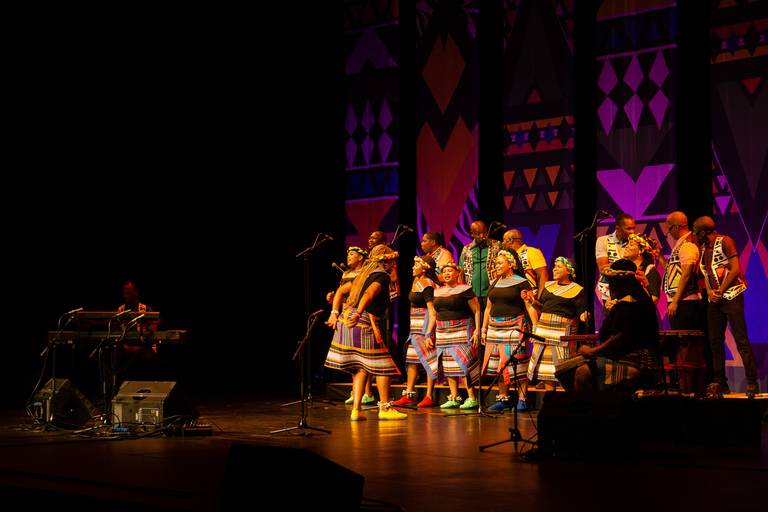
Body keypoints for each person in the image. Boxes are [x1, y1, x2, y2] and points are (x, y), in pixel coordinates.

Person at [325, 245, 407, 421]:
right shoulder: (381, 275)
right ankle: (385, 408)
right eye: (393, 261)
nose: (394, 265)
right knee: (384, 367)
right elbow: (369, 294)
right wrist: (359, 312)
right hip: (360, 321)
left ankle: (356, 410)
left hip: (346, 321)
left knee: (360, 368)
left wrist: (334, 313)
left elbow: (341, 291)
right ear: (387, 261)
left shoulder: (363, 274)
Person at [693, 216, 759, 398]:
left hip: (731, 295)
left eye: (696, 232)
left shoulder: (725, 241)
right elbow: (707, 274)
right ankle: (721, 382)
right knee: (715, 341)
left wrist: (720, 290)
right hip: (715, 299)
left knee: (741, 339)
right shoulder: (703, 248)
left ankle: (752, 382)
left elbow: (735, 268)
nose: (694, 235)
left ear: (704, 232)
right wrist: (710, 292)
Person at [574, 259, 660, 391]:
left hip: (638, 364)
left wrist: (592, 351)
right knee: (573, 365)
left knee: (582, 372)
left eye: (612, 282)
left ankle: (592, 404)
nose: (610, 286)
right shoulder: (631, 300)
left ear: (620, 283)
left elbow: (618, 337)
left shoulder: (632, 303)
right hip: (624, 360)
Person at [481, 250, 539, 412]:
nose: (496, 266)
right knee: (499, 365)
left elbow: (529, 305)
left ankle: (522, 399)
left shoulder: (522, 282)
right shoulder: (494, 282)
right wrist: (484, 329)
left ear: (511, 264)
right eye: (495, 263)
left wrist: (535, 327)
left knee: (518, 363)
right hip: (495, 328)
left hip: (515, 326)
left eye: (500, 263)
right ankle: (503, 398)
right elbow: (488, 308)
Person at [526, 257, 588, 390]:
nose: (554, 269)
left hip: (561, 335)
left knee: (563, 369)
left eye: (559, 266)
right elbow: (541, 308)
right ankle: (550, 398)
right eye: (554, 266)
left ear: (569, 271)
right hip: (544, 332)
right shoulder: (548, 286)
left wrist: (585, 316)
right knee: (546, 370)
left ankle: (568, 399)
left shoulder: (577, 290)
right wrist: (532, 302)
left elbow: (581, 313)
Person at [326, 246, 376, 405]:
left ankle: (367, 392)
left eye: (352, 254)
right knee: (352, 358)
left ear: (360, 257)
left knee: (364, 358)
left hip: (361, 315)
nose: (348, 256)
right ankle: (357, 391)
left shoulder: (366, 274)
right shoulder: (346, 273)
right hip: (346, 315)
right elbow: (343, 295)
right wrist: (334, 303)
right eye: (348, 254)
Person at [392, 255, 439, 407]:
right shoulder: (416, 282)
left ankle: (429, 396)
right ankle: (409, 394)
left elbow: (432, 311)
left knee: (429, 361)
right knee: (412, 361)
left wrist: (429, 333)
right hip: (415, 326)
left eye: (416, 265)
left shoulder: (428, 285)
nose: (413, 267)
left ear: (424, 268)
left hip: (425, 326)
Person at [433, 263, 482, 409]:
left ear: (457, 273)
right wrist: (430, 332)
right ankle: (454, 397)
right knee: (448, 363)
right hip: (442, 331)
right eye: (444, 271)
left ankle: (472, 397)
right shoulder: (437, 291)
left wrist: (477, 330)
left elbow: (477, 310)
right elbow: (434, 313)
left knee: (464, 363)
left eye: (450, 271)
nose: (447, 273)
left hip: (461, 329)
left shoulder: (465, 289)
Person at [663, 212, 703, 329]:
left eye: (669, 229)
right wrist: (659, 256)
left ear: (676, 227)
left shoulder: (687, 245)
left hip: (685, 301)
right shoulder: (680, 244)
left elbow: (686, 274)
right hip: (679, 300)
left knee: (684, 337)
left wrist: (675, 301)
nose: (669, 233)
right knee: (679, 336)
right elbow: (674, 271)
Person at [595, 213, 636, 305]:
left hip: (630, 291)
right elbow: (603, 268)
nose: (632, 232)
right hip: (610, 292)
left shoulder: (634, 243)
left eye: (634, 228)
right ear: (618, 228)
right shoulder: (603, 241)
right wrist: (624, 262)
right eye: (628, 228)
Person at [459, 221, 500, 310]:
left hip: (492, 291)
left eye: (484, 233)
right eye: (478, 234)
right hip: (473, 293)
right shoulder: (467, 249)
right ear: (472, 234)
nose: (482, 236)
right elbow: (461, 272)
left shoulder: (496, 245)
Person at [501, 229, 549, 298]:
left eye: (504, 240)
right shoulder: (506, 256)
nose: (502, 243)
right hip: (512, 296)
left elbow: (543, 275)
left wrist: (540, 297)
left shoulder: (532, 252)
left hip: (529, 296)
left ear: (511, 240)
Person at [620, 233, 661, 304]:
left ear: (641, 250)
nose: (626, 246)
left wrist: (632, 303)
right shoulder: (624, 270)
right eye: (627, 244)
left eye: (631, 244)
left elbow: (654, 298)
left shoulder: (650, 271)